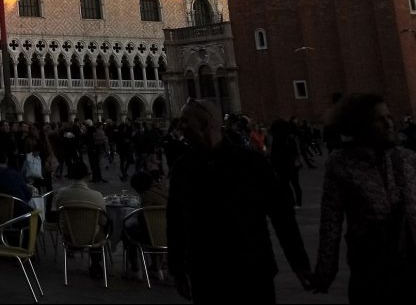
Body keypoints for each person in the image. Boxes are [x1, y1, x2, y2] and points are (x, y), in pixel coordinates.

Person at [168, 99, 311, 304]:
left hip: (252, 268)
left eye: (184, 121)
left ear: (205, 123)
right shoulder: (182, 167)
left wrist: (299, 262)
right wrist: (178, 269)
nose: (180, 127)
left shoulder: (251, 162)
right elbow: (175, 221)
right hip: (206, 272)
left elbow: (282, 215)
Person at [312, 93, 416, 301]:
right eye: (380, 119)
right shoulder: (342, 163)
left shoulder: (407, 158)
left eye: (389, 117)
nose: (389, 124)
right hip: (370, 265)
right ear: (360, 125)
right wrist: (326, 270)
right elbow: (331, 221)